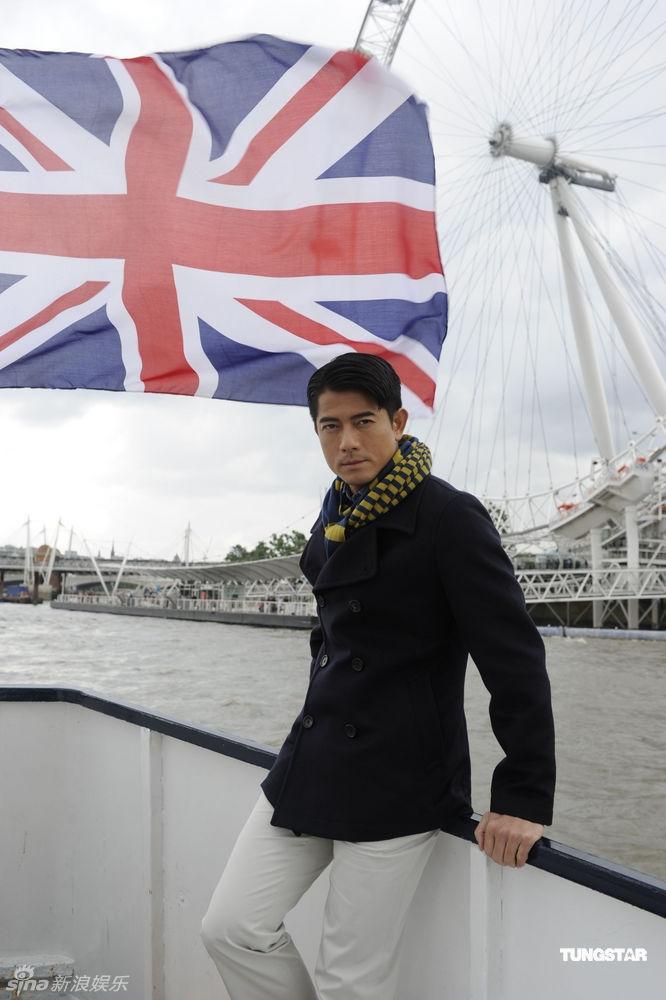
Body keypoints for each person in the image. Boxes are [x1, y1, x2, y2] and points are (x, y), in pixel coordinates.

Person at [201, 352, 556, 1000]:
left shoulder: (449, 518)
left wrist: (523, 797)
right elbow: (331, 631)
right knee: (230, 927)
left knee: (349, 978)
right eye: (330, 427)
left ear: (398, 420)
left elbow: (514, 659)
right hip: (313, 761)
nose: (348, 442)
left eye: (363, 421)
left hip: (402, 775)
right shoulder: (336, 509)